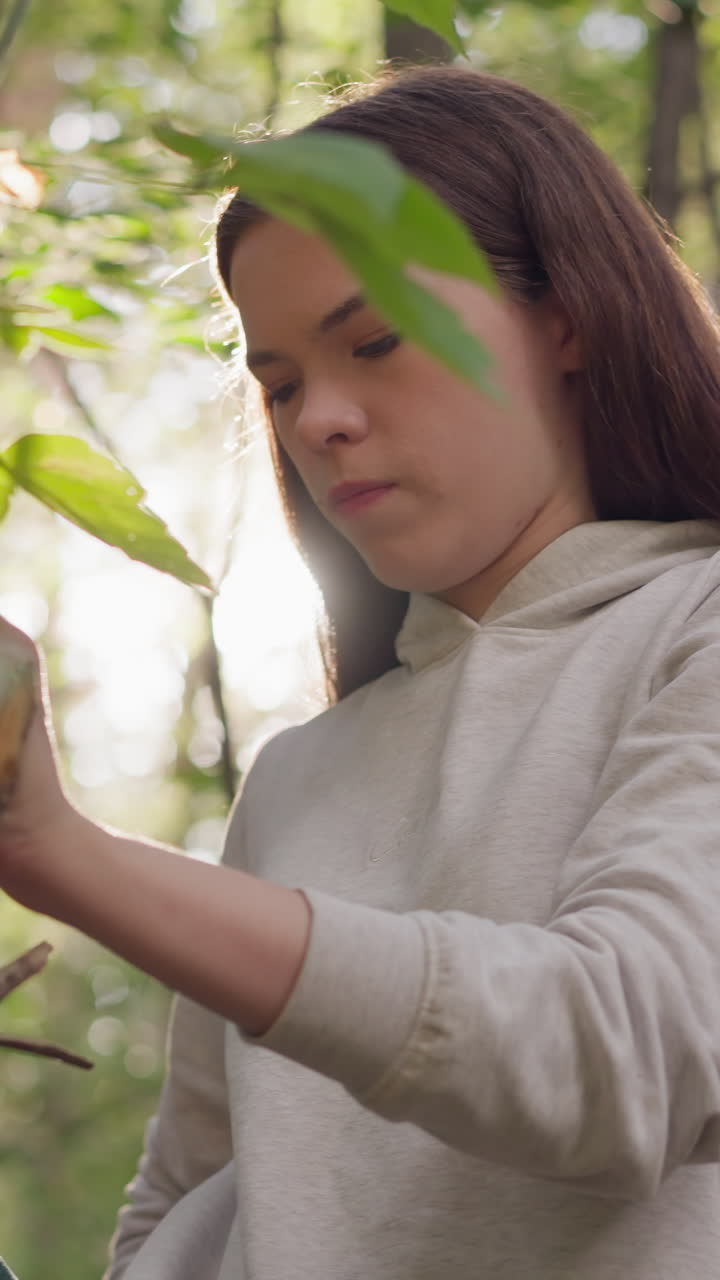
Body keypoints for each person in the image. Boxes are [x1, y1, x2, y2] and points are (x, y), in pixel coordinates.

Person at [1, 62, 720, 1280]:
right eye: (276, 383)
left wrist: (69, 855)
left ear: (568, 314)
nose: (318, 417)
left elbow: (625, 1055)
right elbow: (184, 1201)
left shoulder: (688, 634)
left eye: (375, 339)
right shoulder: (297, 776)